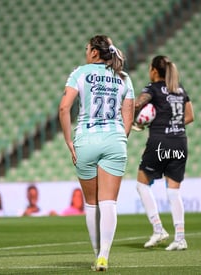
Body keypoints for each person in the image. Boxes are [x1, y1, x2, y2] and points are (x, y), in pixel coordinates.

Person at [59, 35, 134, 271]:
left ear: (94, 53)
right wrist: (120, 138)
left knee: (91, 203)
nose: (85, 52)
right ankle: (104, 255)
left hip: (86, 139)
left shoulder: (80, 72)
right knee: (109, 201)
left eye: (87, 48)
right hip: (114, 139)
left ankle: (96, 254)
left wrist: (69, 141)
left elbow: (63, 107)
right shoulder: (123, 77)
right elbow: (128, 112)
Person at [134, 55, 194, 250]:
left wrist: (140, 117)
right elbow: (190, 116)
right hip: (180, 141)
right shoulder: (180, 89)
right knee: (173, 191)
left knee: (142, 184)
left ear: (153, 70)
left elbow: (138, 103)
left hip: (160, 142)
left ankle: (158, 229)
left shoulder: (152, 89)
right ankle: (180, 238)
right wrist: (173, 124)